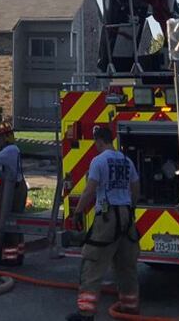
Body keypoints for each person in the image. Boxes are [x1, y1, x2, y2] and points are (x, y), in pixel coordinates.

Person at [67, 125, 141, 320]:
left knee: (93, 263)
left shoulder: (98, 161)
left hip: (107, 217)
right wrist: (130, 209)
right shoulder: (127, 161)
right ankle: (130, 307)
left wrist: (78, 212)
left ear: (99, 141)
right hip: (126, 216)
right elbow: (136, 188)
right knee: (126, 265)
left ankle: (86, 312)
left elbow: (90, 190)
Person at [0, 121, 27, 266]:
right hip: (16, 186)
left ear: (5, 137)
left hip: (15, 189)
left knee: (11, 222)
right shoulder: (13, 149)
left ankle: (11, 258)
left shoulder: (10, 150)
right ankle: (17, 256)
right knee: (15, 222)